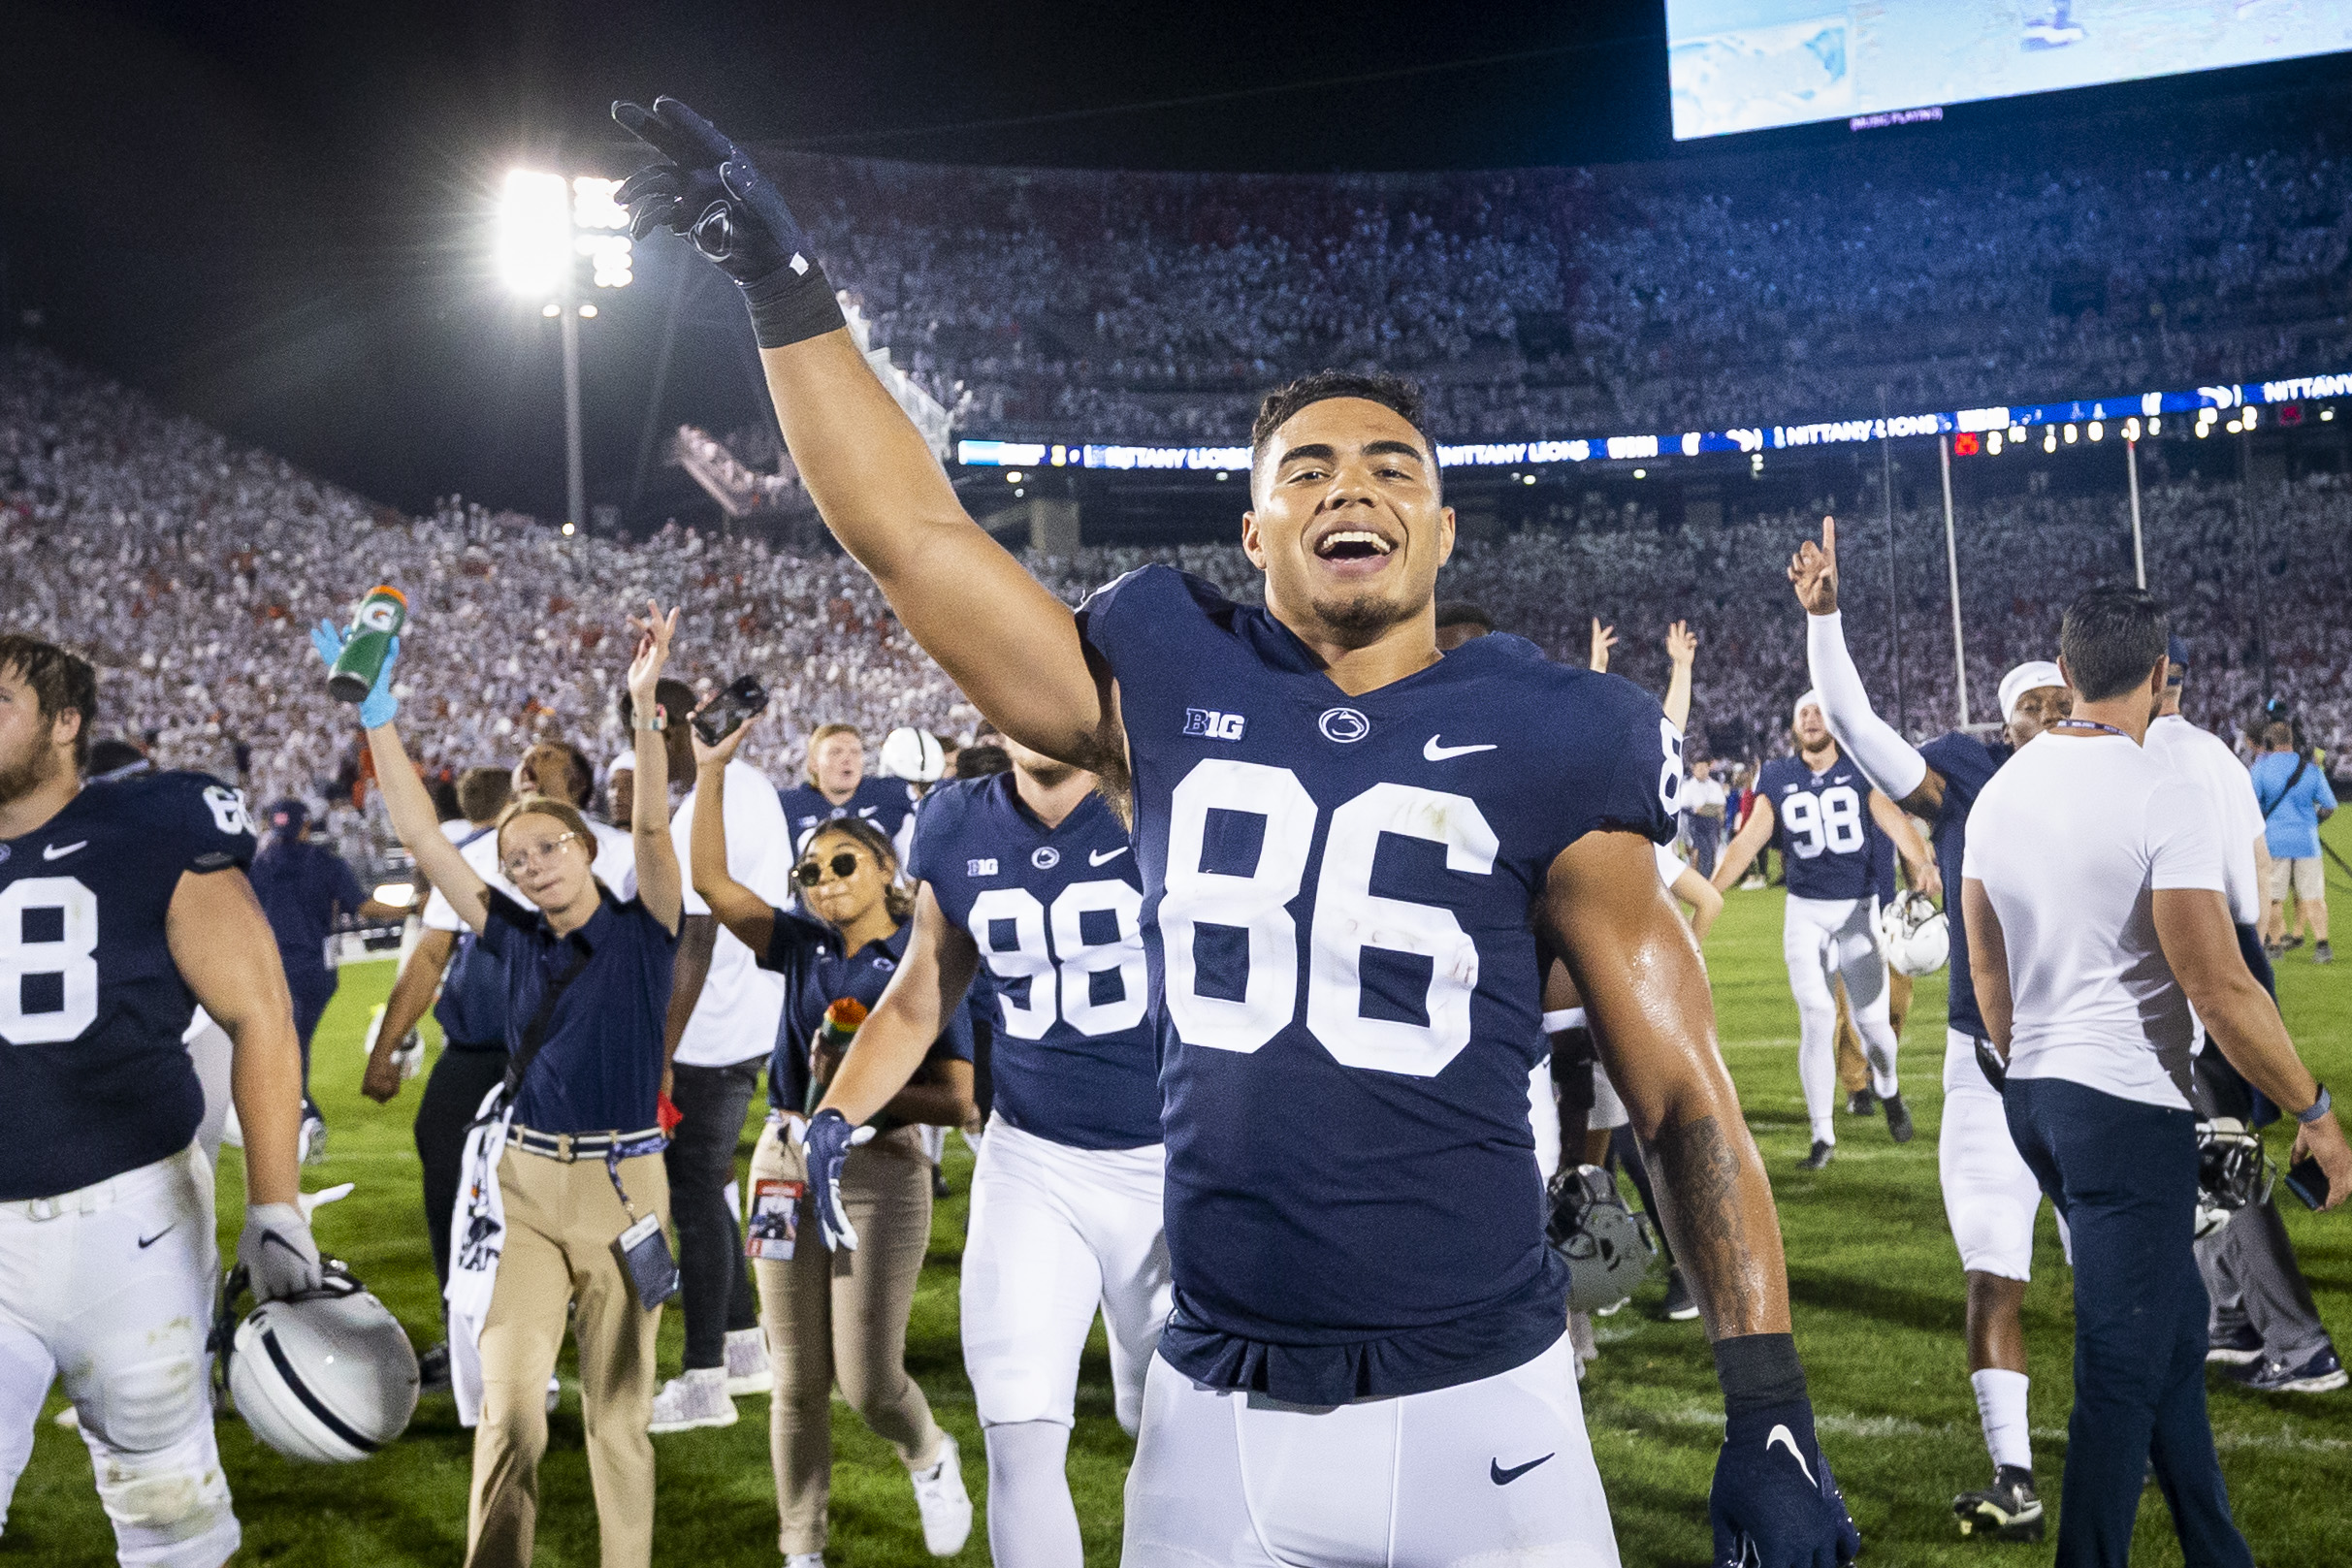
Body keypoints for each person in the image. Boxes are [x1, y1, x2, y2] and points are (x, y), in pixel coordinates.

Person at [618, 96, 1858, 1567]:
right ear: (1255, 535)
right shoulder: (1165, 673)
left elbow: (1684, 1099)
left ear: (1443, 532)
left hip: (1486, 1411)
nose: (1352, 484)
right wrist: (785, 290)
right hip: (1214, 1416)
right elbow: (917, 538)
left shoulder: (1557, 729)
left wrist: (1766, 1403)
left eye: (1395, 467)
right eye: (1308, 471)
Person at [1963, 584, 2352, 1568]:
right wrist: (2312, 1107)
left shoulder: (2002, 788)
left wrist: (2029, 1067)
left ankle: (2218, 1551)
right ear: (2159, 675)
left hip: (2034, 1097)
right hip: (2123, 1103)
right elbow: (2217, 985)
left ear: (2065, 673)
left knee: (2174, 1333)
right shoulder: (2158, 789)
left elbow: (1985, 972)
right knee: (2121, 1372)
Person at [326, 604, 686, 1568]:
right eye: (517, 858)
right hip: (526, 1188)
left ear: (586, 848)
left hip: (624, 1191)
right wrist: (377, 711)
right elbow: (419, 832)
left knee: (618, 1421)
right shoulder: (512, 935)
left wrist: (644, 708)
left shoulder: (648, 928)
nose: (529, 865)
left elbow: (651, 819)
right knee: (511, 1411)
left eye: (547, 848)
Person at [806, 730, 1169, 1568]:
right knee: (1018, 1424)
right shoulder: (955, 818)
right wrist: (837, 1111)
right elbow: (923, 988)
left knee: (1171, 1435)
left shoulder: (1168, 793)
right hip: (1033, 1156)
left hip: (1175, 1159)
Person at [0, 632, 319, 1568]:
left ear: (67, 724)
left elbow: (260, 1012)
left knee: (168, 1506)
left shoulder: (156, 822)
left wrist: (275, 1207)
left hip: (130, 1221)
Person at [1794, 516, 2076, 1542]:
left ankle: (2142, 1445)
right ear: (2003, 726)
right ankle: (2014, 1474)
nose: (2046, 717)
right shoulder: (1969, 776)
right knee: (1990, 1267)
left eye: (2059, 701)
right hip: (1983, 1063)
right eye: (2028, 707)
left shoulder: (2121, 777)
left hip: (2092, 1062)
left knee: (2117, 1277)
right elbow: (1862, 730)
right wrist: (1826, 622)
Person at [690, 723, 976, 1565]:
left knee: (866, 1378)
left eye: (842, 861)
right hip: (781, 1164)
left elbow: (959, 1098)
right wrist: (710, 770)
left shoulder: (922, 955)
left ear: (888, 867)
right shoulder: (801, 944)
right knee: (794, 1382)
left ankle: (925, 1448)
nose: (822, 880)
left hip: (879, 1170)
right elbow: (710, 881)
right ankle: (801, 1549)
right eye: (808, 871)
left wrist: (857, 1105)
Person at [2144, 643, 2345, 1394]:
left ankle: (2300, 1346)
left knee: (2218, 1157)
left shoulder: (2142, 759)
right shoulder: (2221, 756)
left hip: (2192, 957)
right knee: (2205, 1145)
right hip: (2239, 945)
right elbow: (2257, 867)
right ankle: (2228, 1323)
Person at [644, 674, 791, 1433]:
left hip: (710, 1025)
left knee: (696, 1202)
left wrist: (660, 1051)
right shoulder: (752, 785)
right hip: (747, 1015)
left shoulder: (715, 793)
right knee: (711, 1189)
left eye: (646, 731)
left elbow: (696, 936)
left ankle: (703, 1378)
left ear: (672, 727)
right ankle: (741, 1347)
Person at [1710, 689, 1937, 1166]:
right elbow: (1748, 840)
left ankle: (1889, 1088)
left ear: (1833, 723)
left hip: (1858, 912)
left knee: (1874, 1025)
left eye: (1818, 711)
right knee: (1815, 1016)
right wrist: (1710, 891)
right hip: (1805, 911)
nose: (1811, 718)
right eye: (1802, 712)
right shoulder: (1777, 776)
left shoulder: (1860, 770)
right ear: (1794, 727)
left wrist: (1921, 861)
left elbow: (1893, 821)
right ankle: (1822, 1137)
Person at [362, 763, 513, 1388]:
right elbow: (429, 955)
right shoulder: (473, 855)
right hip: (477, 1048)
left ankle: (546, 1334)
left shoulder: (600, 853)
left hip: (557, 1052)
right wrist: (385, 1050)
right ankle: (465, 1334)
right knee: (448, 1173)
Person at [248, 796, 406, 1159]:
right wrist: (412, 908)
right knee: (296, 1044)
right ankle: (303, 1116)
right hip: (316, 970)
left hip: (272, 970)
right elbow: (364, 906)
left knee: (286, 1047)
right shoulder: (325, 862)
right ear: (307, 825)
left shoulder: (259, 864)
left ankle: (302, 1118)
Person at [778, 721, 921, 863]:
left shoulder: (890, 795)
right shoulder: (787, 805)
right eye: (835, 752)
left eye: (855, 752)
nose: (847, 759)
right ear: (813, 764)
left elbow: (914, 868)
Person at [2251, 720, 2335, 962]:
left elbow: (2252, 806)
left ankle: (2274, 947)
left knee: (2273, 897)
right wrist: (2311, 824)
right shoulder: (2309, 769)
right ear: (2292, 741)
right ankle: (2322, 946)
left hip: (2274, 840)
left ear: (2269, 742)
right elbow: (2329, 806)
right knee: (2313, 896)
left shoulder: (2261, 769)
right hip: (2307, 842)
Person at [1684, 753, 1728, 879]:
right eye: (1699, 768)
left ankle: (1708, 877)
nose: (1702, 771)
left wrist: (1705, 809)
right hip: (1694, 823)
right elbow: (1686, 807)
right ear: (1694, 770)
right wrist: (1701, 810)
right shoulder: (1688, 787)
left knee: (1711, 851)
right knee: (1698, 850)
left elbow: (1720, 806)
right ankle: (1697, 877)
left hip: (1712, 823)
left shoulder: (1714, 786)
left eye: (1705, 768)